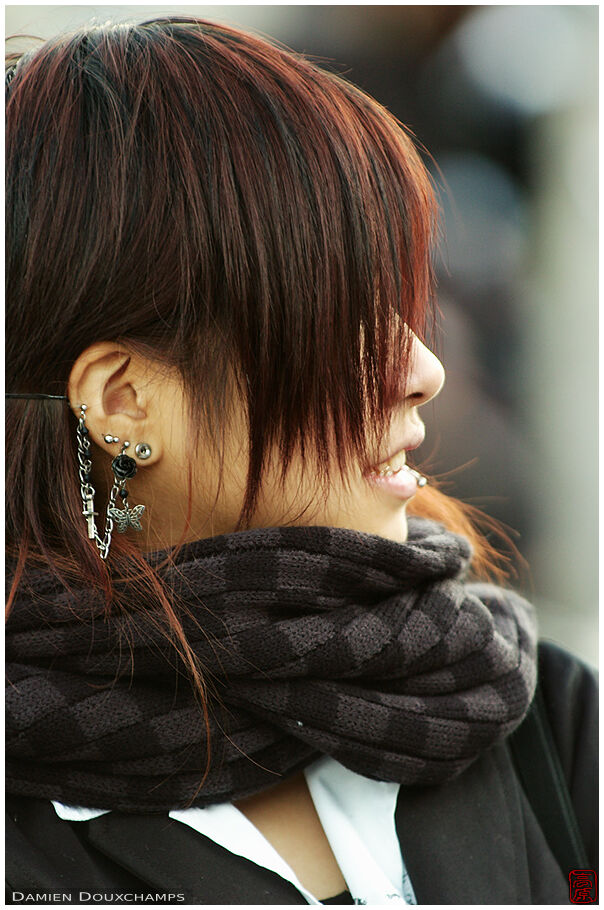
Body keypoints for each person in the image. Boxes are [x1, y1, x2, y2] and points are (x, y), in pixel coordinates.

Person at [5, 16, 597, 906]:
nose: (422, 371)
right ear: (126, 402)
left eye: (406, 303)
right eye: (342, 320)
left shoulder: (538, 717)